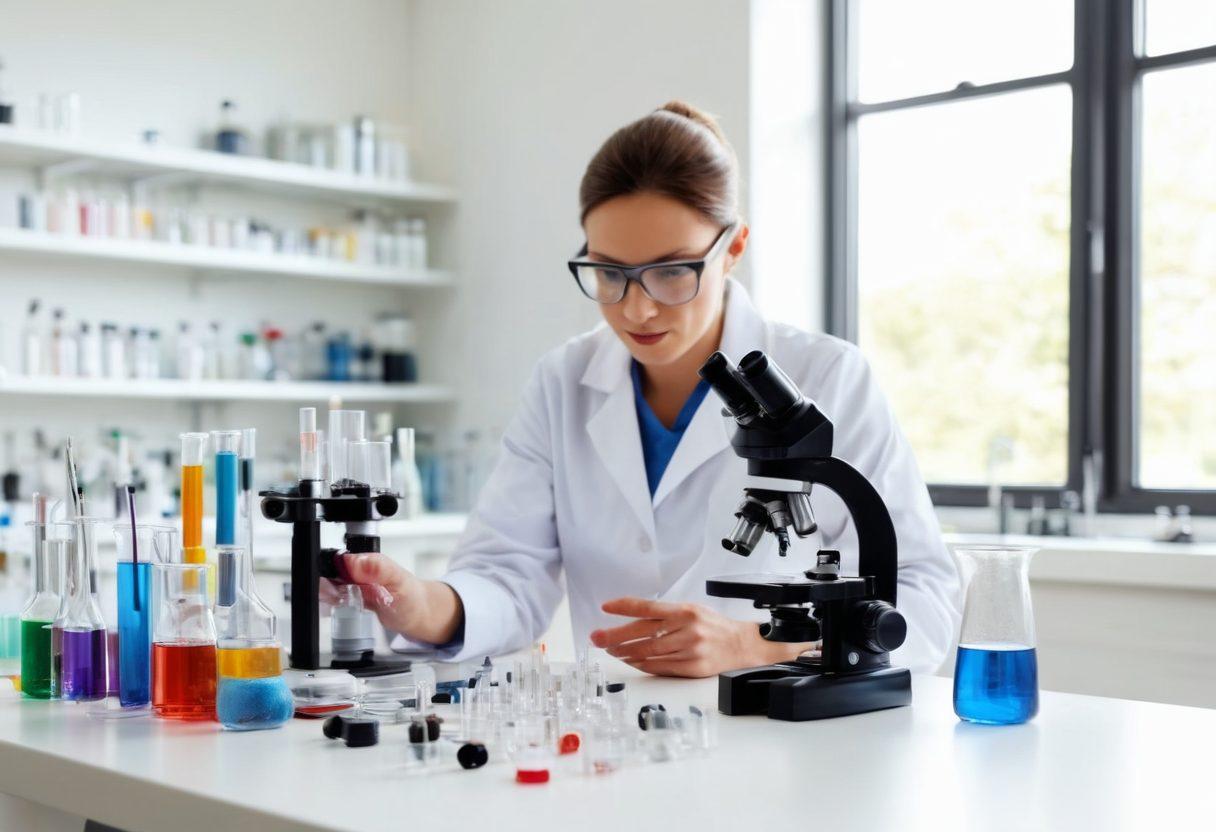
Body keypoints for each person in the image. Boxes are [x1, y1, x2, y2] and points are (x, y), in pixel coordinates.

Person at [343, 101, 960, 677]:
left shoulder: (828, 375)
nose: (636, 309)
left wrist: (754, 644)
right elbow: (506, 579)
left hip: (786, 742)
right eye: (610, 273)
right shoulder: (563, 382)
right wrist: (414, 601)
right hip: (616, 736)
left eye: (671, 272)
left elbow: (924, 597)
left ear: (734, 248)